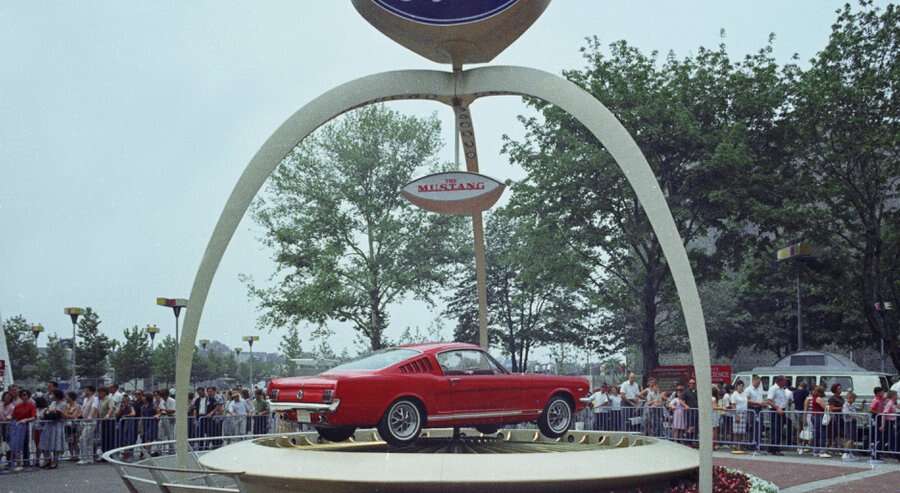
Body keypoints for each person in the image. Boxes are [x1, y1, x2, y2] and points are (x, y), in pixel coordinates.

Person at [9, 390, 37, 472]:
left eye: (25, 395)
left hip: (27, 426)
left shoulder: (31, 405)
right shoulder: (18, 406)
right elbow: (13, 416)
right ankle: (18, 463)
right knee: (17, 444)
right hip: (17, 427)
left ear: (28, 396)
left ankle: (26, 462)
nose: (24, 396)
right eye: (22, 395)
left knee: (26, 445)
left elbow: (34, 417)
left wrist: (26, 419)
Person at [39, 390, 66, 468]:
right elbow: (47, 411)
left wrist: (54, 412)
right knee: (45, 443)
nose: (51, 396)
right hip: (49, 426)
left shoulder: (63, 404)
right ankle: (47, 460)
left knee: (56, 444)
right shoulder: (53, 403)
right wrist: (48, 411)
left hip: (57, 426)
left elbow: (61, 414)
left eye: (52, 394)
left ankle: (55, 461)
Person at [766, 375, 789, 455]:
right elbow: (769, 401)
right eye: (784, 381)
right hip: (775, 411)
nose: (785, 382)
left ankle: (774, 448)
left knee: (779, 430)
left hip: (782, 410)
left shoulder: (782, 389)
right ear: (780, 381)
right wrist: (777, 408)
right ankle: (773, 449)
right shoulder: (773, 388)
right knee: (775, 430)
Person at [78, 386, 99, 465]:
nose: (84, 392)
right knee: (89, 440)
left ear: (90, 391)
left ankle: (85, 458)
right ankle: (90, 458)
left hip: (91, 422)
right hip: (84, 421)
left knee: (83, 439)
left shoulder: (95, 399)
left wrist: (90, 416)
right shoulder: (85, 399)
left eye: (86, 390)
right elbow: (83, 409)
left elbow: (94, 408)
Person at [729, 380, 749, 453]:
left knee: (742, 431)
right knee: (736, 431)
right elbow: (733, 405)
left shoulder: (744, 393)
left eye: (742, 386)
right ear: (737, 386)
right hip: (737, 413)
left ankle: (740, 445)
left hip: (744, 414)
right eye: (740, 386)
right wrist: (736, 415)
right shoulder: (734, 394)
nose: (741, 387)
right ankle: (735, 445)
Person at [879, 390, 898, 460]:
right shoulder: (889, 403)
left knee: (891, 438)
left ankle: (894, 453)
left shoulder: (893, 403)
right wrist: (883, 425)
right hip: (888, 423)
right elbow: (884, 414)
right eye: (896, 395)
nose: (897, 396)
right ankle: (877, 453)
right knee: (885, 438)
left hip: (892, 422)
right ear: (893, 396)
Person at [62, 391, 81, 461]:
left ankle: (77, 455)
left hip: (75, 425)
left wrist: (66, 415)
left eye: (67, 396)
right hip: (67, 425)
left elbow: (74, 416)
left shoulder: (77, 405)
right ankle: (71, 455)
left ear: (71, 397)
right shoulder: (67, 406)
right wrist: (67, 415)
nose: (66, 398)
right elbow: (65, 415)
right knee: (69, 441)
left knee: (75, 441)